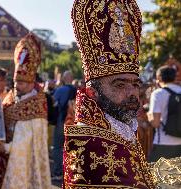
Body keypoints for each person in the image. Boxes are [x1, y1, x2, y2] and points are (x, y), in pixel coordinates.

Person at [63, 0, 155, 188]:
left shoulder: (120, 126)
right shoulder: (89, 145)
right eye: (120, 85)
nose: (132, 94)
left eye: (135, 84)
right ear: (92, 92)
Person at [0, 33, 51, 189]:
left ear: (31, 82)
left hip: (24, 170)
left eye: (21, 82)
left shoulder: (37, 104)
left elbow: (26, 145)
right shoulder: (9, 98)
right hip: (1, 161)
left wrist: (6, 148)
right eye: (16, 82)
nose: (17, 86)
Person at [148, 66, 181, 162]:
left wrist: (149, 115)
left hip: (163, 143)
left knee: (156, 175)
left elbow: (155, 123)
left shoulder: (158, 93)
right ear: (175, 77)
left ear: (158, 78)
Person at [52, 70, 76, 180]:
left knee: (57, 147)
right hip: (76, 123)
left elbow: (53, 103)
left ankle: (59, 172)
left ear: (63, 78)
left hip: (62, 121)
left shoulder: (60, 90)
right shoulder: (79, 90)